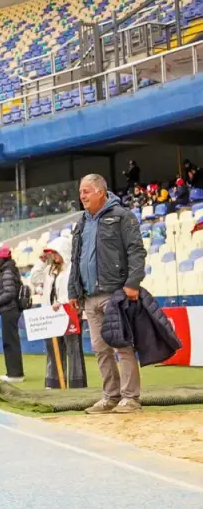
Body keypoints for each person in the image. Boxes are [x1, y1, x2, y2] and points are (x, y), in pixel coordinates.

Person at [69, 174, 147, 414]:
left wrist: (133, 283)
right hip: (89, 297)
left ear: (100, 192)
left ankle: (130, 398)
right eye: (81, 191)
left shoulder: (122, 217)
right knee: (100, 349)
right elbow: (76, 259)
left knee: (122, 346)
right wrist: (73, 288)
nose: (82, 196)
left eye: (86, 191)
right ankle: (110, 397)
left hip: (115, 293)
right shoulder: (82, 222)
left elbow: (136, 250)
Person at [38, 236, 87, 389]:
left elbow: (77, 291)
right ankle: (54, 381)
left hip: (70, 312)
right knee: (53, 348)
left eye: (55, 253)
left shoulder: (73, 269)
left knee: (73, 349)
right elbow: (34, 278)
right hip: (52, 314)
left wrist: (62, 301)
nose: (53, 256)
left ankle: (76, 383)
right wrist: (41, 261)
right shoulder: (49, 270)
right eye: (52, 253)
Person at [0, 245, 25, 383]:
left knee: (10, 342)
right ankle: (14, 372)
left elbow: (10, 292)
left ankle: (14, 374)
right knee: (12, 341)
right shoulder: (11, 270)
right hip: (12, 309)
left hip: (9, 310)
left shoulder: (7, 272)